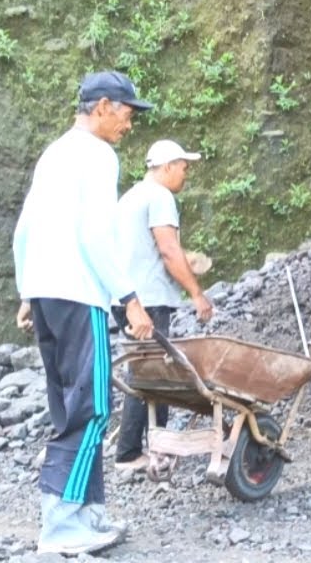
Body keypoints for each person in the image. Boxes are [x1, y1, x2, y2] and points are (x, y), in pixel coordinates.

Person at [12, 70, 156, 556]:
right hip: (79, 292)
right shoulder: (97, 155)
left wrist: (28, 291)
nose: (129, 124)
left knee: (68, 408)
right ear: (102, 107)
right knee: (92, 409)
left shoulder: (55, 153)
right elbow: (96, 235)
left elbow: (25, 227)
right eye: (127, 113)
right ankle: (61, 527)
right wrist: (129, 298)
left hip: (47, 294)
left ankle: (89, 515)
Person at [113, 139, 214, 471]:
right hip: (149, 301)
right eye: (183, 167)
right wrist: (196, 294)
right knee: (154, 376)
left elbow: (147, 250)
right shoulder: (160, 197)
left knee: (145, 372)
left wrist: (188, 261)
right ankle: (137, 452)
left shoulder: (131, 197)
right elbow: (168, 250)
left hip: (125, 298)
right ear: (168, 166)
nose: (186, 174)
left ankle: (143, 449)